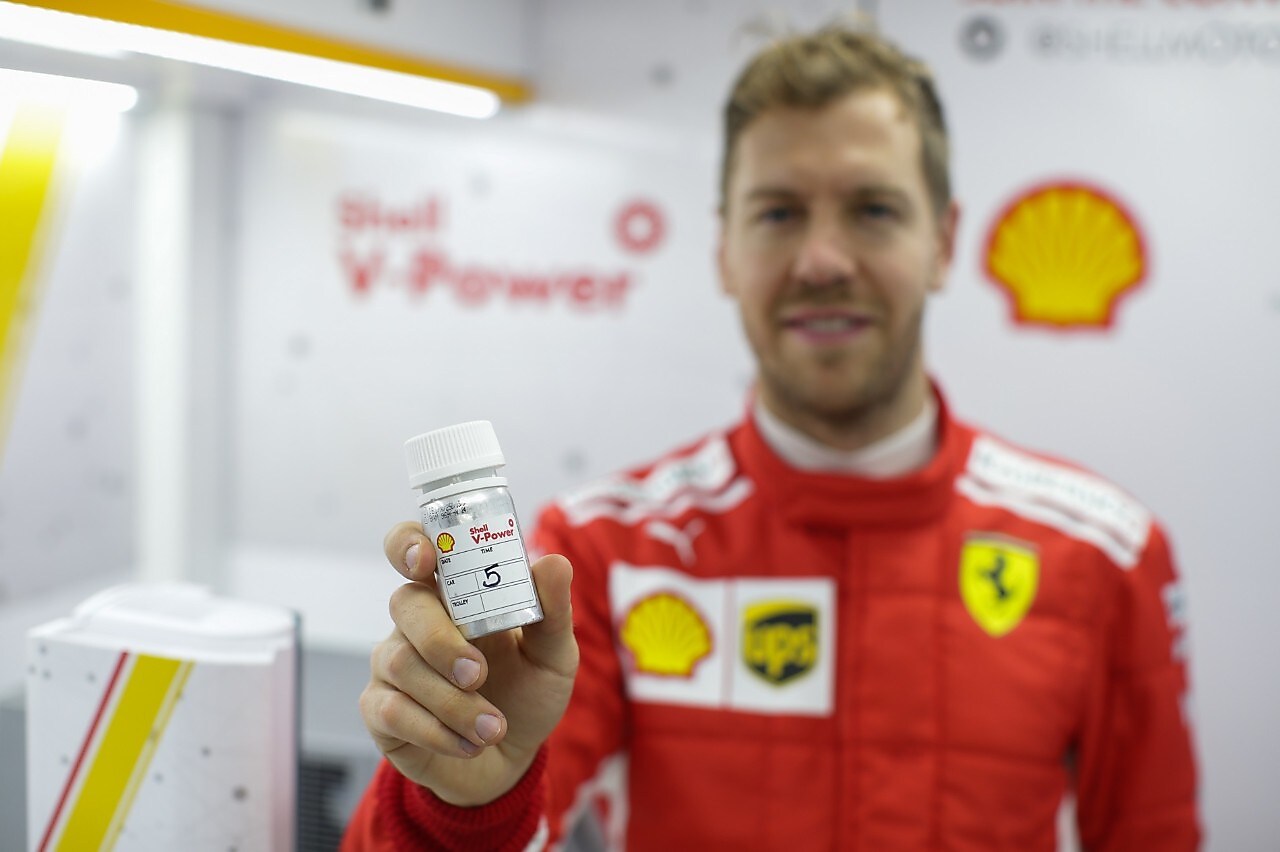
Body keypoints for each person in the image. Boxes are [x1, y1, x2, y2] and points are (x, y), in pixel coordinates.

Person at [342, 22, 1200, 852]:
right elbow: (485, 796)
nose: (823, 259)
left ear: (942, 241)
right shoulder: (600, 555)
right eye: (780, 213)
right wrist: (465, 796)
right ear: (723, 250)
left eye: (873, 209)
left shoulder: (1105, 555)